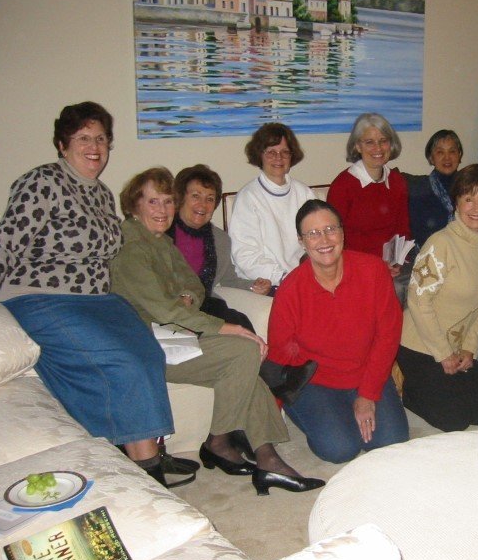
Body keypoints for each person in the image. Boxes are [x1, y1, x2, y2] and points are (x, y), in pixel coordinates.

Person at [0, 102, 178, 486]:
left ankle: (140, 459)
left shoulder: (102, 194)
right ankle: (151, 475)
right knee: (124, 363)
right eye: (84, 138)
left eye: (102, 139)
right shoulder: (42, 182)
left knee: (148, 355)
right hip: (42, 297)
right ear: (63, 144)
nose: (95, 147)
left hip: (99, 301)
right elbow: (6, 244)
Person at [111, 168, 324, 497]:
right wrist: (226, 326)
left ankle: (265, 457)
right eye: (153, 201)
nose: (163, 209)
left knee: (243, 358)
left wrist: (187, 297)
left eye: (168, 201)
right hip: (147, 347)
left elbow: (195, 285)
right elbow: (165, 311)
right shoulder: (131, 247)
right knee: (243, 349)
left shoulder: (159, 241)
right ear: (134, 204)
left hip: (176, 337)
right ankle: (220, 442)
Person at [266, 200, 409, 463]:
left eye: (331, 229)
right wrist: (272, 412)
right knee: (340, 449)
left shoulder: (373, 271)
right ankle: (322, 414)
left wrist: (367, 394)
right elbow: (279, 354)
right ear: (302, 241)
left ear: (343, 232)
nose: (324, 240)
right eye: (313, 233)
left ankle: (350, 408)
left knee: (390, 443)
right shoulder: (291, 290)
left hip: (365, 373)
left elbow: (387, 336)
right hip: (315, 381)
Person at [397, 165, 478, 432]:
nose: (476, 208)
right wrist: (443, 353)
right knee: (455, 421)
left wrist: (469, 348)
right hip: (420, 344)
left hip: (457, 344)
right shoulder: (440, 243)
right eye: (468, 199)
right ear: (456, 203)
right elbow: (418, 302)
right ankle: (411, 394)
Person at [327, 112, 411, 301]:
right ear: (358, 146)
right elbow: (334, 239)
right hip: (355, 264)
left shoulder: (397, 181)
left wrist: (396, 261)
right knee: (395, 288)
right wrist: (376, 265)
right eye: (369, 142)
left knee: (427, 279)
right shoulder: (343, 186)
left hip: (391, 264)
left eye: (383, 141)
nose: (378, 148)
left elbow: (403, 229)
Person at [169, 164, 260, 332]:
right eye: (195, 196)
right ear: (181, 197)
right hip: (168, 306)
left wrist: (255, 286)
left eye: (210, 199)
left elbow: (230, 280)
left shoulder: (220, 239)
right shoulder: (162, 233)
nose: (202, 205)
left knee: (241, 323)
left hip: (204, 305)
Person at [229, 123, 314, 296]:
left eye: (285, 152)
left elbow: (317, 238)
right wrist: (283, 277)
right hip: (269, 282)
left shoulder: (304, 193)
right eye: (271, 152)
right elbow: (245, 255)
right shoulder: (248, 197)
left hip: (304, 277)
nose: (279, 158)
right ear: (260, 155)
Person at [404, 129, 462, 248]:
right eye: (440, 152)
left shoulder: (469, 187)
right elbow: (417, 233)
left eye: (452, 151)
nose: (447, 157)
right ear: (431, 158)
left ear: (459, 155)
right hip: (430, 252)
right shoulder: (418, 189)